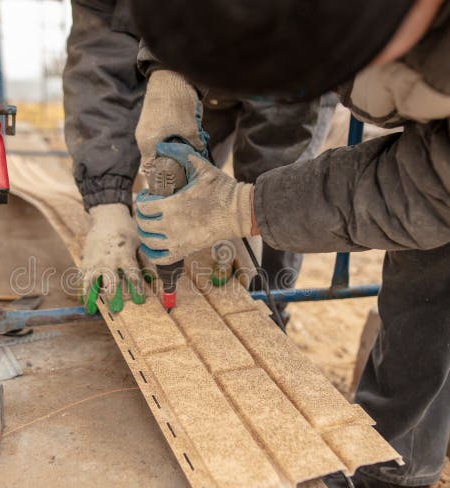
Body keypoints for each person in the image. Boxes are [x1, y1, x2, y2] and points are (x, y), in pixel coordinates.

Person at [128, 0, 450, 488]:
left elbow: (441, 190)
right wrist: (170, 69)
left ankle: (397, 461)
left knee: (433, 226)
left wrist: (245, 208)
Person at [62, 0, 335, 317]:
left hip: (286, 49)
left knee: (277, 204)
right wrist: (107, 202)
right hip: (193, 61)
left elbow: (279, 153)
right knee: (177, 172)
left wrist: (248, 213)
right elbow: (99, 58)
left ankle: (267, 311)